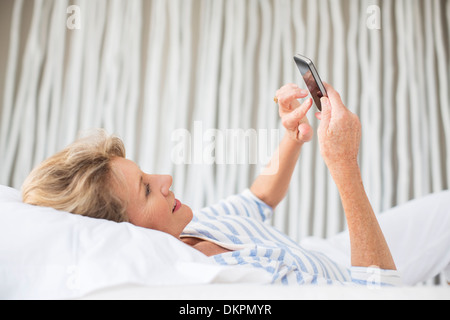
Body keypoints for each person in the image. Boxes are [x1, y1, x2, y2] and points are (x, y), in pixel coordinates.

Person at [22, 83, 450, 286]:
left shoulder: (191, 227)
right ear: (121, 232)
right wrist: (343, 164)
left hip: (326, 252)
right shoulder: (227, 285)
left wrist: (290, 137)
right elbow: (379, 296)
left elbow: (259, 197)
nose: (166, 179)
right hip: (362, 279)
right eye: (147, 189)